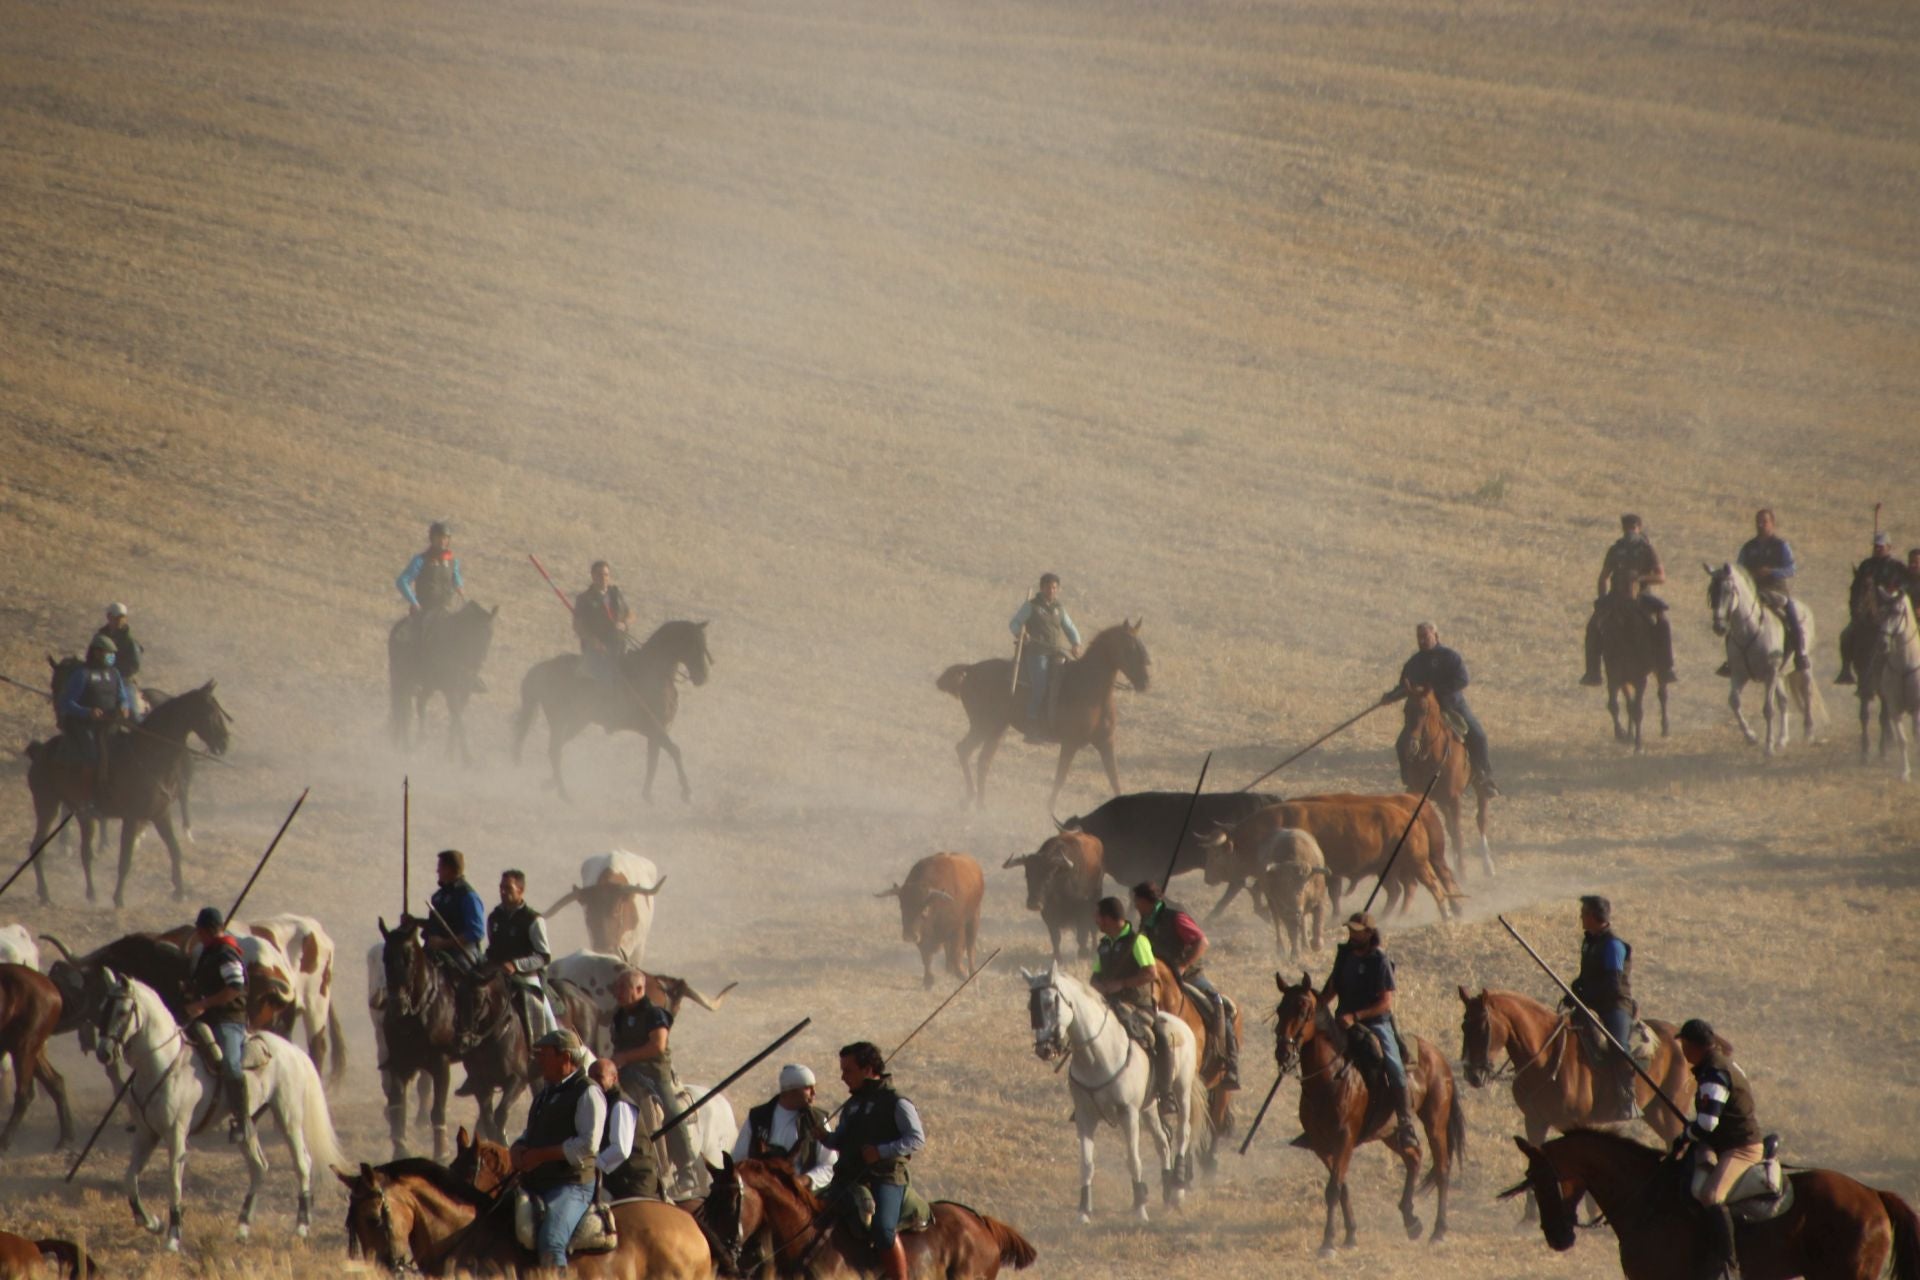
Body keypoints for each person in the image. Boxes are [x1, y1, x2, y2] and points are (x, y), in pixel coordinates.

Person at [814, 1042, 925, 1280]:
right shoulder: (852, 1106)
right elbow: (840, 1141)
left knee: (883, 1230)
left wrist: (881, 1151)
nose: (843, 1077)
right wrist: (825, 1138)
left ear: (867, 1069)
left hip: (886, 1178)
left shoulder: (896, 1102)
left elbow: (916, 1138)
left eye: (848, 1070)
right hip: (849, 1178)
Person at [1674, 1019, 1764, 1280]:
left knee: (1711, 1195)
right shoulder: (1718, 1063)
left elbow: (1707, 1123)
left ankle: (1728, 1265)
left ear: (1692, 1046)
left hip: (1741, 1147)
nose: (1683, 1051)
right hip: (1723, 1142)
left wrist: (1686, 1136)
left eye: (1684, 1045)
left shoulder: (1714, 1072)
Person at [512, 1029, 607, 1275]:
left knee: (551, 1242)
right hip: (537, 1181)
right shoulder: (545, 1093)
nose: (538, 1060)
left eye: (544, 1054)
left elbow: (588, 1145)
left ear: (565, 1057)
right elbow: (531, 1132)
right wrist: (518, 1147)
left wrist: (541, 1155)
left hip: (571, 1185)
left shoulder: (588, 1093)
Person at [1321, 913, 1418, 1151]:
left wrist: (1356, 1016)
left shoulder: (1379, 960)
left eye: (1357, 931)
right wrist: (1317, 1007)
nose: (1353, 935)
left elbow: (1385, 1003)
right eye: (1351, 931)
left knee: (1394, 1066)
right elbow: (1331, 989)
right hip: (1343, 1021)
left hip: (1375, 1023)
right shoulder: (1344, 955)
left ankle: (1405, 1124)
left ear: (1368, 933)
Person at [1131, 881, 1238, 1088]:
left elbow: (1201, 941)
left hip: (1188, 975)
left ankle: (1230, 1064)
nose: (1135, 905)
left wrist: (1183, 965)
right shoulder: (1145, 922)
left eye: (1137, 901)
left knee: (1218, 1004)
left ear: (1146, 901)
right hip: (1158, 978)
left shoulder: (1177, 918)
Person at [1382, 621, 1499, 796]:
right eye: (1419, 637)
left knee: (1478, 735)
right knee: (1402, 742)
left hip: (1452, 706)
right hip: (1423, 711)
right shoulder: (1414, 663)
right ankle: (1409, 779)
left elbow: (1462, 680)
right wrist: (1391, 696)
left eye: (1425, 636)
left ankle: (1483, 777)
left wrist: (1435, 692)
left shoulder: (1450, 657)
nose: (1422, 640)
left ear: (1436, 636)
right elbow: (1405, 687)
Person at [608, 968, 697, 1194]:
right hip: (627, 1075)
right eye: (616, 987)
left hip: (654, 1074)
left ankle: (687, 1167)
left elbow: (657, 1046)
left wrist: (625, 1057)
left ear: (639, 989)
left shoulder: (654, 1014)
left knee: (671, 1109)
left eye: (622, 988)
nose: (616, 992)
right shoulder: (619, 1015)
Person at [183, 906, 254, 1147]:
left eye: (200, 931)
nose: (198, 936)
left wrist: (204, 1003)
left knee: (231, 1065)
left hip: (228, 1019)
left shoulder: (226, 953)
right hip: (207, 1016)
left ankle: (242, 1120)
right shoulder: (209, 950)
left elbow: (234, 987)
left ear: (209, 930)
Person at [1581, 514, 1678, 687]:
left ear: (1639, 528)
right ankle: (1592, 672)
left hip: (1642, 596)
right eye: (1627, 527)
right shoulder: (1615, 549)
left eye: (1633, 527)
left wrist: (1640, 579)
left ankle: (1666, 668)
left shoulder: (1647, 549)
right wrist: (1602, 599)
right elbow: (1603, 577)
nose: (1630, 531)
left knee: (1663, 624)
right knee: (1593, 626)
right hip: (1616, 596)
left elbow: (1661, 576)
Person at [1568, 895, 1638, 1123]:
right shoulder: (1589, 942)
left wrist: (1586, 994)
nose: (1580, 917)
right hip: (1590, 1003)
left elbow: (1612, 984)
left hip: (1614, 1005)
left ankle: (1627, 1098)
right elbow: (1588, 976)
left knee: (1618, 1045)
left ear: (1592, 916)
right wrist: (1576, 988)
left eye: (1583, 913)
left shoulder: (1613, 946)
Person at [1719, 507, 1806, 675]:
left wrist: (1772, 572)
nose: (1760, 524)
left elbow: (1791, 569)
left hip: (1776, 590)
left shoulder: (1781, 546)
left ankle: (1800, 654)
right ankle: (1730, 660)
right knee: (1734, 618)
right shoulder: (1748, 547)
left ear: (1772, 524)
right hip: (1753, 592)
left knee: (1791, 613)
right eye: (1758, 521)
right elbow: (1738, 569)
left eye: (1764, 521)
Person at [56, 633, 134, 815]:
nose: (112, 656)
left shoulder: (114, 673)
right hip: (84, 725)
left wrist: (124, 706)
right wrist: (87, 712)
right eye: (109, 652)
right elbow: (66, 702)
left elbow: (122, 697)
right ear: (97, 652)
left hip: (109, 724)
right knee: (92, 756)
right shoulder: (82, 674)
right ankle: (86, 799)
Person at [732, 1063, 836, 1192]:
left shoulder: (817, 1120)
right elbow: (739, 1160)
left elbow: (830, 1165)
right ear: (791, 1091)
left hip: (800, 1199)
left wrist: (804, 1180)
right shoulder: (758, 1118)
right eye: (809, 1088)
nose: (814, 1093)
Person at [484, 869, 558, 1047]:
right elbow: (492, 949)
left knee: (544, 1013)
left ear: (520, 890)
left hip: (526, 977)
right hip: (497, 975)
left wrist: (516, 965)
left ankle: (550, 1047)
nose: (503, 892)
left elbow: (543, 956)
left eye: (508, 888)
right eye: (501, 887)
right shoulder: (494, 918)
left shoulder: (533, 919)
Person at [1008, 573, 1082, 742]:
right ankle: (1031, 725)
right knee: (1040, 687)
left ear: (1059, 589)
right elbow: (1014, 623)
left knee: (1064, 685)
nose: (1051, 590)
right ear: (1042, 588)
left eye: (1055, 587)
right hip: (1037, 653)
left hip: (1056, 653)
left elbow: (1070, 628)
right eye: (1048, 587)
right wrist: (1021, 634)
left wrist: (1076, 643)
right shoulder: (1031, 606)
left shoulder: (1059, 608)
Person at [1837, 532, 1910, 685]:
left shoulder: (1896, 567)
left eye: (1881, 547)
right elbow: (1857, 587)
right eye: (1876, 547)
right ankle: (1846, 669)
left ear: (1889, 547)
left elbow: (1907, 583)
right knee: (1846, 635)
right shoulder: (1866, 565)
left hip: (1889, 611)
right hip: (1866, 612)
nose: (1878, 549)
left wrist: (1895, 590)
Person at [589, 1057, 659, 1201]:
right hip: (617, 1178)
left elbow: (620, 1149)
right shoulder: (601, 1102)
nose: (593, 1083)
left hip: (634, 1181)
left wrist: (592, 1165)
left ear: (614, 1078)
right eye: (590, 1078)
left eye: (598, 1077)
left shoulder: (620, 1104)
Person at [423, 849, 486, 966]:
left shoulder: (468, 896)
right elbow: (435, 923)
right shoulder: (438, 897)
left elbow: (476, 931)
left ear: (449, 869)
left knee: (462, 973)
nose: (437, 871)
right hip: (435, 950)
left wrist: (444, 943)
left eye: (440, 867)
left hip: (463, 952)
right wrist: (413, 922)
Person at [573, 561, 632, 685]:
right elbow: (578, 626)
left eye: (606, 575)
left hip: (619, 644)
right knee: (604, 678)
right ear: (593, 576)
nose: (604, 578)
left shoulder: (616, 594)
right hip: (598, 648)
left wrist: (624, 623)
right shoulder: (584, 599)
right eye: (600, 575)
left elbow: (630, 614)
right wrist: (593, 640)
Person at [94, 603, 144, 688]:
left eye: (122, 618)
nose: (119, 621)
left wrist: (115, 672)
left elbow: (134, 665)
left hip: (123, 680)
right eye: (116, 618)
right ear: (109, 617)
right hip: (100, 676)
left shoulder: (130, 642)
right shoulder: (100, 637)